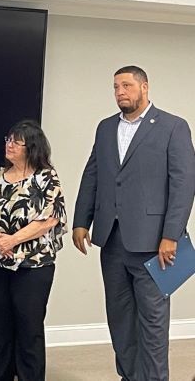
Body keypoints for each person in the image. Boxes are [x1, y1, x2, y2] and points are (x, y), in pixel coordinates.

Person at [73, 65, 195, 381]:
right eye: (115, 87)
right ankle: (129, 377)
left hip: (155, 245)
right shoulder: (104, 127)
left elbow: (183, 185)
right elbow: (93, 174)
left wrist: (171, 235)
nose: (120, 93)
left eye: (126, 85)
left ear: (144, 87)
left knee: (152, 323)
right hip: (111, 241)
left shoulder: (173, 126)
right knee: (120, 319)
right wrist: (80, 221)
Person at [0, 119, 67, 381]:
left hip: (33, 265)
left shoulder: (46, 178)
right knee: (0, 329)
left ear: (32, 147)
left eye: (16, 142)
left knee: (29, 329)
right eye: (8, 140)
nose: (9, 145)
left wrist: (12, 240)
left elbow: (49, 219)